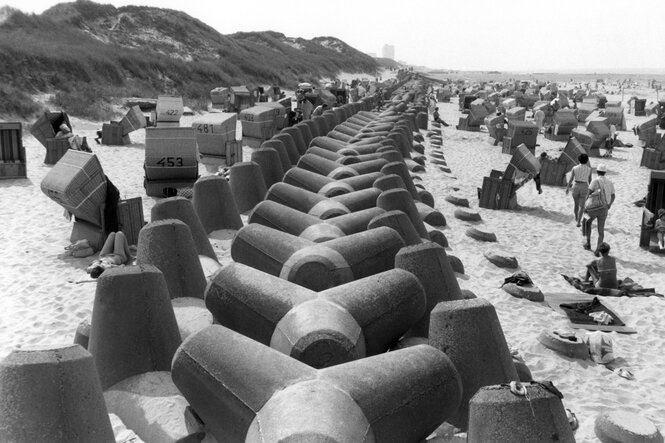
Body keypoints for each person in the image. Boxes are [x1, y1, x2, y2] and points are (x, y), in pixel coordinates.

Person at [583, 163, 616, 253]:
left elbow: (588, 194)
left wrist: (585, 206)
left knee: (587, 222)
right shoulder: (610, 182)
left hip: (593, 208)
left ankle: (588, 243)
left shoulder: (594, 181)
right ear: (605, 172)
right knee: (601, 230)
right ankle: (598, 249)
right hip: (604, 208)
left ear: (597, 171)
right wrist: (609, 205)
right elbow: (613, 196)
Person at [565, 153, 592, 227]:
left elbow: (571, 179)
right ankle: (579, 222)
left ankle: (576, 218)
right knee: (582, 206)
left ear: (579, 160)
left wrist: (567, 188)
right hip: (584, 186)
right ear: (587, 161)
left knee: (576, 204)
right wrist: (591, 191)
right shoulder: (589, 169)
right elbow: (590, 181)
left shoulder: (574, 168)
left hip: (576, 185)